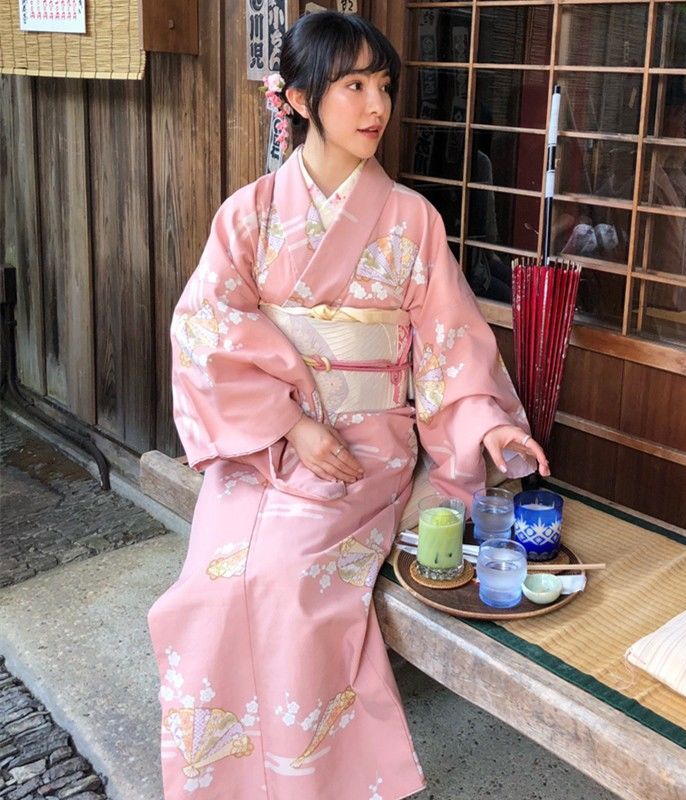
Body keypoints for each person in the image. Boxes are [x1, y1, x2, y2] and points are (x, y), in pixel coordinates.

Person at [148, 11, 548, 800]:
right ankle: (225, 781)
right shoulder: (249, 214)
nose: (376, 106)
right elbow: (202, 330)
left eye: (384, 86)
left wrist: (489, 425)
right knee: (210, 586)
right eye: (354, 85)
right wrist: (292, 423)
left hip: (365, 448)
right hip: (268, 442)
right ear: (298, 98)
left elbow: (450, 346)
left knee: (287, 576)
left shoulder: (412, 222)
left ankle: (308, 782)